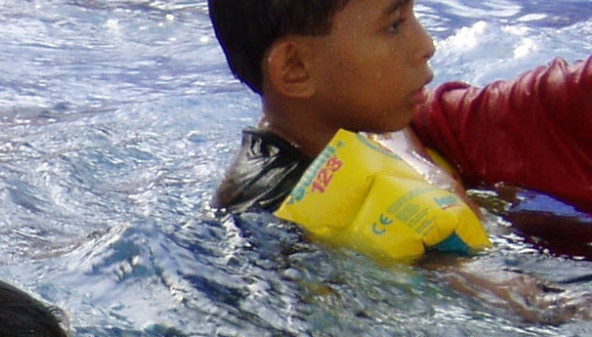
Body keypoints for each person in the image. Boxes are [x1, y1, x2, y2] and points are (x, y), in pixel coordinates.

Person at [208, 0, 592, 220]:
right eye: (394, 26)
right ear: (295, 69)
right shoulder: (279, 208)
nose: (426, 45)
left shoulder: (348, 132)